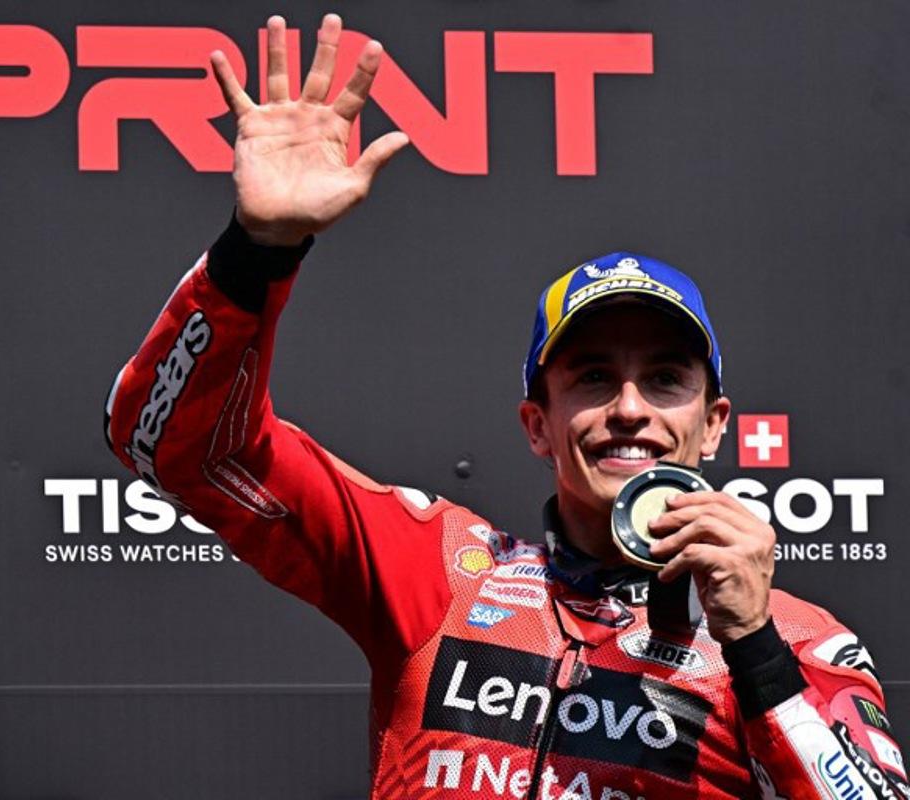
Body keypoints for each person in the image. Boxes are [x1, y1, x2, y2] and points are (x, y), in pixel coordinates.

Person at [104, 13, 907, 799]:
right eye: (592, 378)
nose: (630, 409)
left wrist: (754, 648)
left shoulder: (801, 639)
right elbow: (178, 446)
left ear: (714, 424)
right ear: (538, 424)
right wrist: (257, 251)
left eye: (665, 380)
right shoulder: (437, 572)